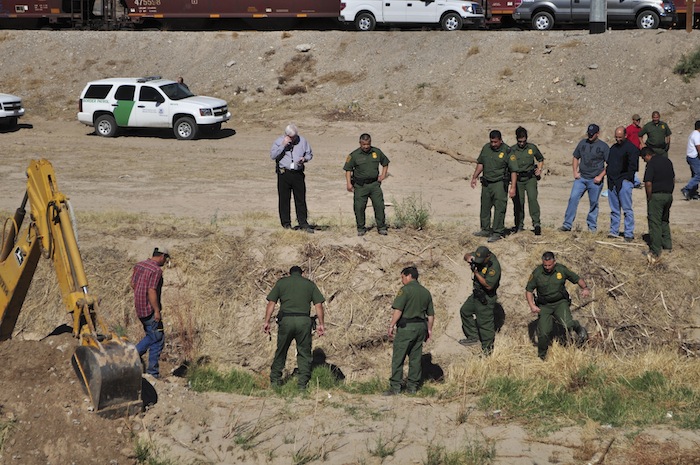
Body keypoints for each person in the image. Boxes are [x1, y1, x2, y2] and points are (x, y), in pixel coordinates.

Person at [263, 266, 325, 389]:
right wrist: (321, 324)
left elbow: (271, 303)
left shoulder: (282, 283)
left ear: (289, 273)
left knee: (281, 351)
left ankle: (275, 381)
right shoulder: (309, 284)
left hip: (286, 321)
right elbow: (318, 305)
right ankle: (302, 384)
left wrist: (266, 321)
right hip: (304, 321)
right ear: (302, 273)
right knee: (304, 352)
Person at [526, 251, 590, 360]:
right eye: (545, 265)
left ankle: (578, 327)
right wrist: (532, 305)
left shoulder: (561, 269)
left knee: (567, 324)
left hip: (560, 302)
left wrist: (585, 288)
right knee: (544, 332)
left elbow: (576, 278)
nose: (547, 267)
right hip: (544, 305)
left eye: (549, 265)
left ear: (554, 262)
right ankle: (542, 357)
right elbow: (529, 290)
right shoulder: (537, 273)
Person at [386, 266, 434, 395]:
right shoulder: (425, 292)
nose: (402, 280)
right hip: (421, 328)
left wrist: (391, 325)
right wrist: (429, 330)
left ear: (408, 276)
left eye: (402, 277)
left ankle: (395, 387)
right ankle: (412, 387)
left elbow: (398, 310)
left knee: (398, 357)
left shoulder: (405, 290)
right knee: (415, 358)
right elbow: (430, 315)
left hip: (407, 328)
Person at [559, 124, 609, 233]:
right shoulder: (582, 143)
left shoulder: (603, 146)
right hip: (581, 178)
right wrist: (575, 172)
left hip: (595, 181)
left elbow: (609, 164)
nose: (590, 136)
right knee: (573, 198)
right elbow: (576, 157)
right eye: (589, 134)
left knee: (594, 203)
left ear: (597, 133)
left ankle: (592, 228)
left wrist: (600, 176)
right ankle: (567, 224)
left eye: (592, 134)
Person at [470, 130, 517, 243]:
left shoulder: (507, 151)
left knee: (499, 208)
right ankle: (485, 229)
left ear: (500, 140)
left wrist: (513, 187)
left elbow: (514, 171)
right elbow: (481, 163)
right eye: (492, 142)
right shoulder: (486, 148)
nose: (493, 144)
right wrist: (474, 177)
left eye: (496, 142)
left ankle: (497, 232)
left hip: (499, 184)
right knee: (485, 207)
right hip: (487, 183)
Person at [131, 246, 169, 378]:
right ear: (162, 256)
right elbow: (152, 290)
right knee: (157, 339)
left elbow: (133, 284)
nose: (165, 261)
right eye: (166, 258)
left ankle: (134, 359)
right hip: (149, 309)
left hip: (139, 307)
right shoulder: (156, 270)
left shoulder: (140, 265)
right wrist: (157, 310)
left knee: (152, 335)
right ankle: (150, 371)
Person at [270, 123, 314, 233]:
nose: (293, 139)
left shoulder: (302, 141)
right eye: (291, 137)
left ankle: (303, 223)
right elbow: (273, 155)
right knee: (284, 199)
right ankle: (286, 224)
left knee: (300, 199)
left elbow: (310, 154)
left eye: (294, 137)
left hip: (297, 174)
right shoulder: (278, 141)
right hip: (284, 173)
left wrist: (304, 159)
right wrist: (283, 146)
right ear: (286, 135)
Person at [343, 133, 390, 236]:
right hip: (360, 186)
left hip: (374, 185)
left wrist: (383, 175)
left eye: (368, 144)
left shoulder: (376, 152)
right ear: (360, 143)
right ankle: (361, 228)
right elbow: (348, 170)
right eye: (364, 144)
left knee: (379, 206)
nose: (366, 146)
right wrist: (348, 183)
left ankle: (381, 227)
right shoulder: (354, 155)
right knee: (359, 207)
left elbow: (385, 163)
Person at [459, 246, 501, 354]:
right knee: (465, 311)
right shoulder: (480, 255)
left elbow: (488, 285)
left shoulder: (494, 266)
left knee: (485, 324)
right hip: (476, 293)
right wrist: (468, 258)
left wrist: (476, 273)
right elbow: (466, 255)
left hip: (486, 297)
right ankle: (473, 336)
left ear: (488, 256)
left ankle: (487, 350)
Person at [640, 147, 675, 263]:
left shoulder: (651, 164)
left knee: (655, 222)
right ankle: (667, 245)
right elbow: (673, 178)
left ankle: (655, 250)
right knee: (664, 220)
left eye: (643, 158)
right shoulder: (667, 161)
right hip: (668, 195)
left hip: (657, 196)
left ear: (647, 155)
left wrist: (649, 196)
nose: (644, 161)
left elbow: (648, 182)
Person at [509, 126, 545, 236]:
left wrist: (539, 169)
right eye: (519, 141)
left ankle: (536, 224)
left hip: (530, 178)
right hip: (518, 179)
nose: (522, 143)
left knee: (533, 200)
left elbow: (540, 159)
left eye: (524, 141)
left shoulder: (532, 148)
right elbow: (508, 165)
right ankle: (519, 225)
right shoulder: (512, 150)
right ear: (516, 139)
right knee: (519, 202)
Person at [606, 126, 639, 242]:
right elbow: (609, 164)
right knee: (614, 209)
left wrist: (626, 180)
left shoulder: (632, 149)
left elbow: (633, 168)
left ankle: (629, 232)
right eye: (616, 137)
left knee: (627, 209)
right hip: (612, 182)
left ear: (625, 135)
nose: (618, 139)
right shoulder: (613, 148)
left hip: (624, 182)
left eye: (620, 137)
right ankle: (614, 231)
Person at [680, 120, 700, 201]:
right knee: (699, 175)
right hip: (694, 158)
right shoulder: (696, 135)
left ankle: (693, 193)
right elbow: (698, 148)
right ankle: (686, 189)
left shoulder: (693, 134)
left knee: (695, 175)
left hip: (690, 157)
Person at [626, 113, 643, 188]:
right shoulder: (629, 129)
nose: (638, 121)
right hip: (630, 150)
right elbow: (626, 139)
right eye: (636, 120)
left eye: (639, 120)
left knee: (635, 166)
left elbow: (641, 138)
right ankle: (635, 181)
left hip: (636, 150)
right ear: (633, 120)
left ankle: (634, 180)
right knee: (630, 165)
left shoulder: (640, 129)